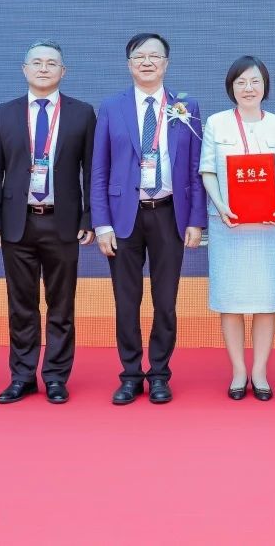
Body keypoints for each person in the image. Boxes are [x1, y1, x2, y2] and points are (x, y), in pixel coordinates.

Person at [91, 33, 206, 405]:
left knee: (165, 300)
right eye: (139, 56)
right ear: (129, 64)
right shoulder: (112, 107)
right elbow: (99, 170)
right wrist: (102, 223)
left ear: (166, 63)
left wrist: (196, 220)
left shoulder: (186, 107)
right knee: (126, 301)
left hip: (169, 214)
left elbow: (195, 168)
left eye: (154, 56)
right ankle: (129, 375)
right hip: (123, 217)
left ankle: (159, 374)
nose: (147, 62)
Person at [0, 41, 96, 405]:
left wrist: (89, 216)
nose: (44, 68)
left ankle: (57, 376)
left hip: (63, 223)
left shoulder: (82, 114)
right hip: (18, 223)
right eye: (37, 63)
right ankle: (22, 376)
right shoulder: (4, 114)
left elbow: (92, 170)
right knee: (21, 305)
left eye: (51, 63)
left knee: (61, 305)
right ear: (24, 69)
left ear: (64, 71)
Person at [199, 56, 275, 401]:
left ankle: (260, 371)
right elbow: (208, 170)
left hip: (270, 225)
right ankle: (239, 370)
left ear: (265, 86)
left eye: (255, 81)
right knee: (231, 300)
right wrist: (220, 205)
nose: (248, 88)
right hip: (229, 224)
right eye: (241, 82)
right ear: (231, 88)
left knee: (266, 300)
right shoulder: (216, 123)